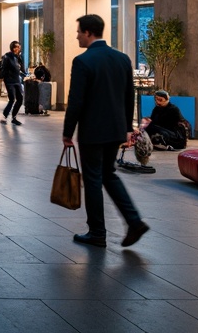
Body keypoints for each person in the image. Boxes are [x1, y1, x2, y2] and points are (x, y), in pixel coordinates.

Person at [62, 14, 148, 248]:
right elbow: (129, 96)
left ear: (89, 33)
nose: (77, 35)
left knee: (93, 178)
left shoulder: (83, 61)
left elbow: (76, 101)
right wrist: (128, 128)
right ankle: (134, 221)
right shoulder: (122, 59)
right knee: (108, 173)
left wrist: (68, 132)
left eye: (79, 31)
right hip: (115, 130)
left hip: (93, 131)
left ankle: (97, 232)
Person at [0, 41, 26, 125]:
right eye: (16, 47)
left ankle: (14, 117)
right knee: (12, 99)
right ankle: (4, 116)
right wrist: (3, 78)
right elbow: (3, 68)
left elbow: (21, 69)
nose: (17, 48)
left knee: (20, 99)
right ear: (12, 48)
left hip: (17, 80)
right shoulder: (7, 56)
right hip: (9, 80)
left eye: (18, 47)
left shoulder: (19, 57)